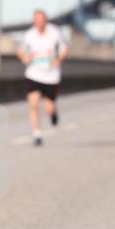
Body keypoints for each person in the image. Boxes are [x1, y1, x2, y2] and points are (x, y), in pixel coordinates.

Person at [18, 9, 69, 146]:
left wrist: (59, 59)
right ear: (34, 22)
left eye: (42, 20)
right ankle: (37, 135)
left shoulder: (55, 32)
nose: (39, 22)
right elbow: (20, 51)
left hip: (51, 76)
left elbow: (66, 48)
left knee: (49, 107)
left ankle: (53, 114)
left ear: (45, 21)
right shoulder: (29, 35)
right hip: (33, 74)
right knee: (33, 104)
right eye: (37, 20)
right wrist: (25, 57)